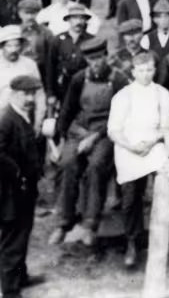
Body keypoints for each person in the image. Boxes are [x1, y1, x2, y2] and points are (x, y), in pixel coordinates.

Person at [50, 38, 123, 247]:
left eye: (99, 58)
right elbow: (67, 111)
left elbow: (120, 116)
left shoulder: (117, 80)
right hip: (79, 131)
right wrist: (62, 139)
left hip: (105, 133)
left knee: (96, 166)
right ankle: (64, 221)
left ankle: (91, 223)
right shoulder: (79, 79)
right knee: (67, 164)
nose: (96, 63)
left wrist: (95, 137)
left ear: (106, 56)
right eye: (91, 60)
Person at [107, 52, 169, 268]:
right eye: (141, 70)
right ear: (133, 71)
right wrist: (131, 146)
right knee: (131, 195)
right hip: (128, 147)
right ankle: (132, 241)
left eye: (150, 70)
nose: (145, 75)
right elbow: (113, 131)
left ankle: (160, 239)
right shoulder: (123, 96)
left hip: (154, 145)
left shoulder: (162, 93)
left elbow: (167, 127)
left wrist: (152, 142)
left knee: (164, 184)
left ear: (155, 70)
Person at [0, 75, 44, 298]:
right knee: (13, 239)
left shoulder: (25, 114)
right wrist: (17, 172)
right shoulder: (6, 119)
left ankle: (21, 277)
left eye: (32, 94)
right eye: (25, 94)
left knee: (23, 233)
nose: (30, 98)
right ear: (13, 94)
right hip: (11, 192)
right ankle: (9, 290)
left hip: (26, 189)